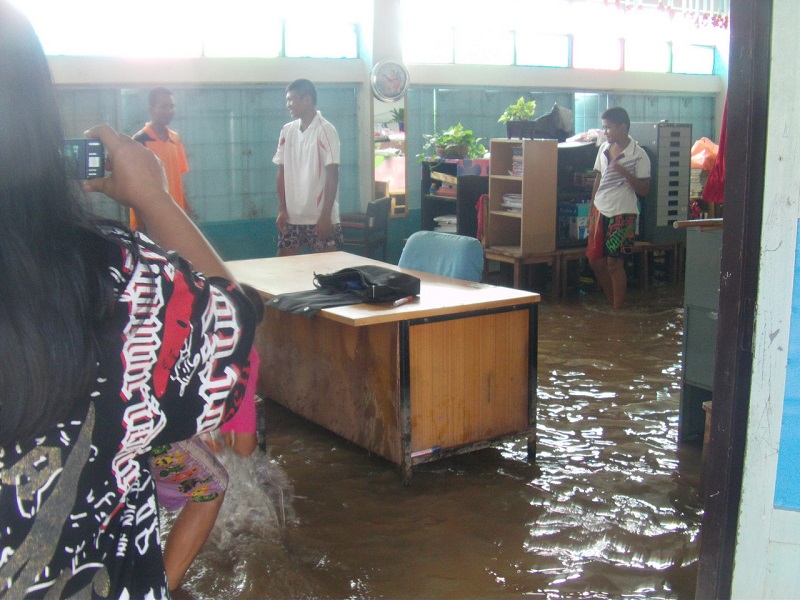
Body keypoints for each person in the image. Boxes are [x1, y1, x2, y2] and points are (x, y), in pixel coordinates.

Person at [0, 3, 257, 598]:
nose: (168, 109)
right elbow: (233, 330)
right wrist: (153, 199)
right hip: (151, 257)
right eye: (163, 102)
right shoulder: (114, 276)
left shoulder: (174, 146)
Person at [586, 107, 651, 309]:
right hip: (600, 208)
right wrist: (590, 209)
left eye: (608, 128)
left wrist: (624, 173)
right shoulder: (603, 148)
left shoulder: (639, 155)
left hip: (623, 211)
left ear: (622, 127)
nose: (605, 132)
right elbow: (598, 178)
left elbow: (644, 190)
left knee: (615, 264)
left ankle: (617, 310)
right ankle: (613, 301)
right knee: (595, 261)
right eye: (604, 128)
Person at [273, 78, 343, 256]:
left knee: (327, 272)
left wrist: (326, 215)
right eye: (287, 100)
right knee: (284, 267)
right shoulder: (286, 131)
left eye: (292, 99)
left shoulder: (326, 130)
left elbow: (333, 174)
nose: (288, 104)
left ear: (307, 100)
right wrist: (282, 209)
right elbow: (281, 172)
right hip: (292, 216)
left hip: (320, 216)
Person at [130, 87, 190, 230]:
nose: (169, 111)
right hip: (151, 219)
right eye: (163, 107)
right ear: (151, 109)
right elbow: (135, 185)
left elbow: (178, 178)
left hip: (176, 215)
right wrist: (141, 222)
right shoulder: (139, 141)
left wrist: (186, 209)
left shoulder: (175, 139)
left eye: (171, 107)